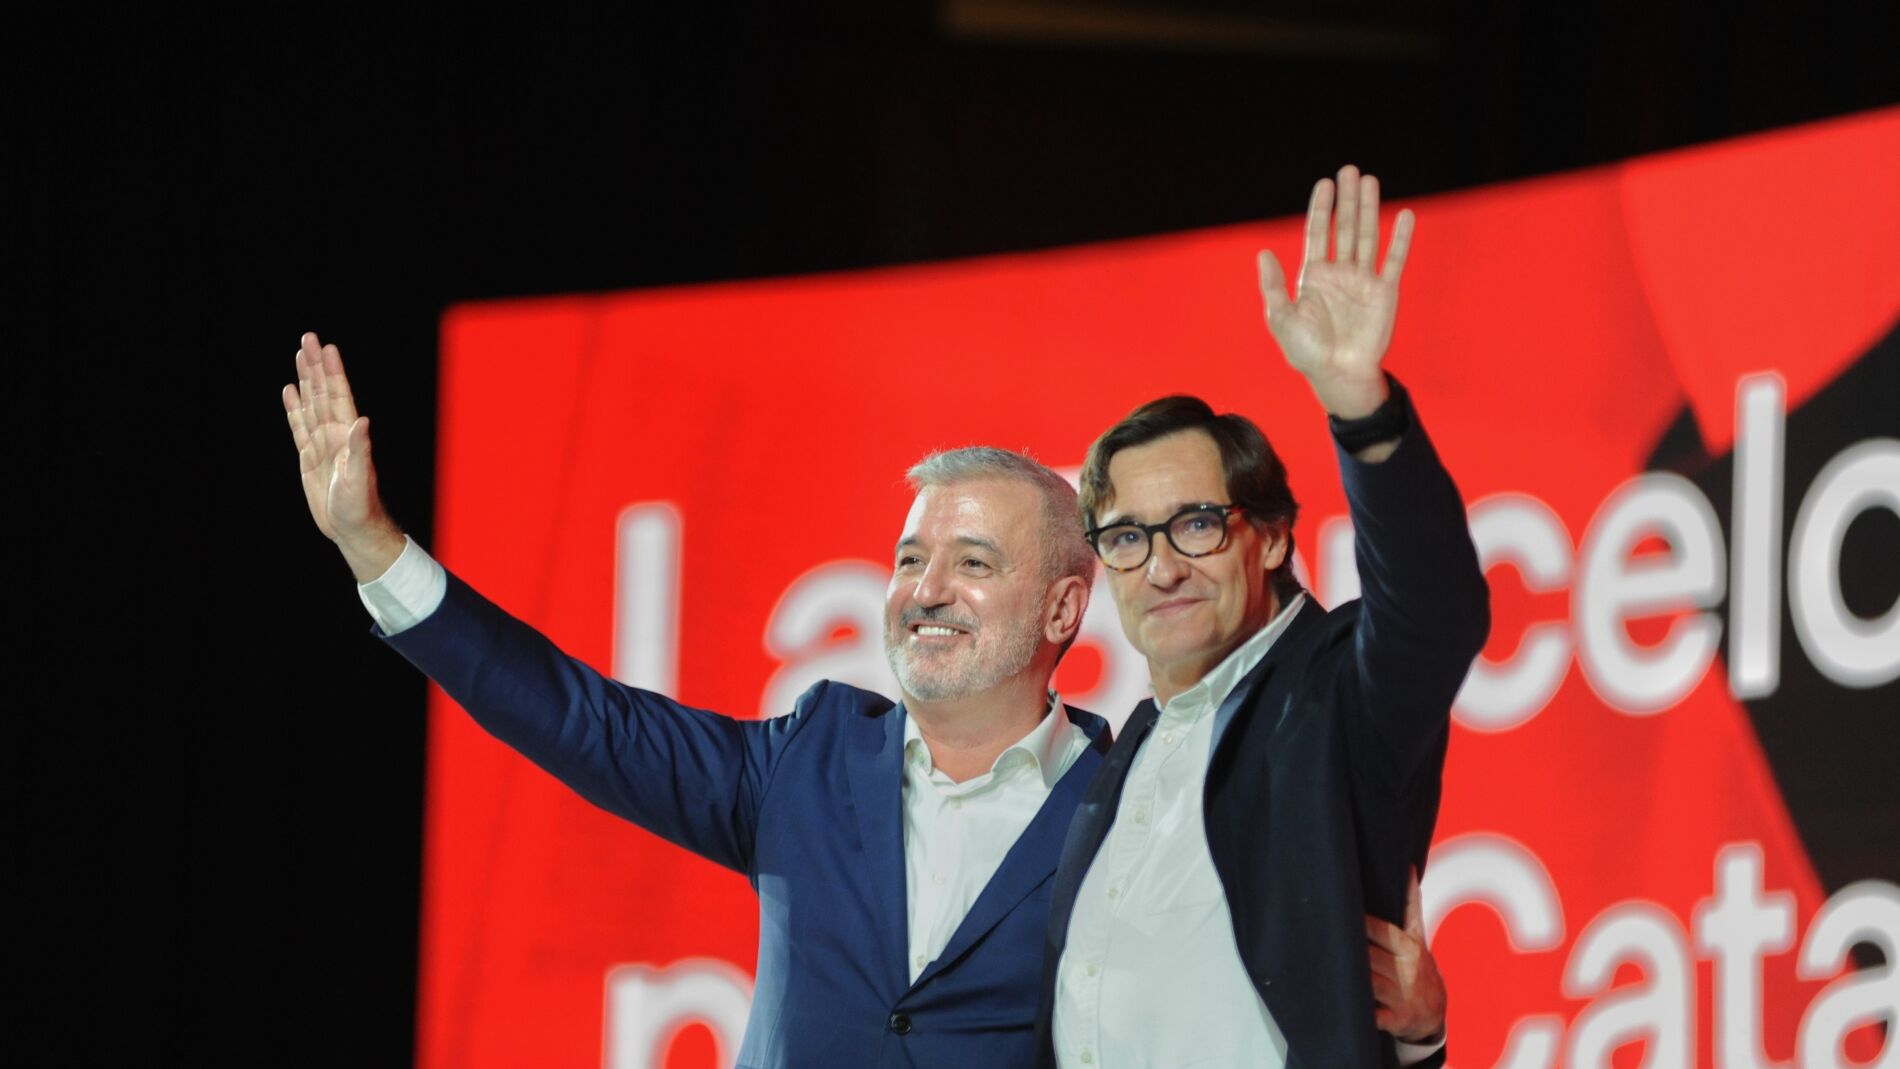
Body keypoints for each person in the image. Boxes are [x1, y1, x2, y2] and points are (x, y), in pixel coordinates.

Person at [282, 181, 1450, 1063]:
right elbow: (578, 719)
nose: (924, 588)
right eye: (907, 559)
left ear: (1063, 603)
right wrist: (378, 553)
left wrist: (1413, 1035)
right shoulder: (804, 765)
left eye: (972, 561)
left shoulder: (1127, 807)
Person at [1039, 165, 1488, 1068]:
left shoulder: (1334, 698)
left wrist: (1360, 406)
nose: (1162, 565)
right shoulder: (1117, 759)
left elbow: (1432, 611)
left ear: (1274, 536)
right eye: (1127, 536)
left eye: (1197, 524)